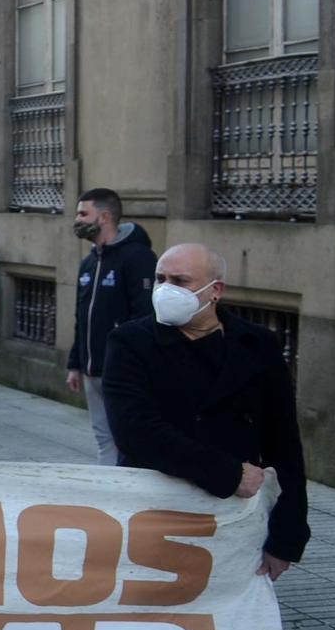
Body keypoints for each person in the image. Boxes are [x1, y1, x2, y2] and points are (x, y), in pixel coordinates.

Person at [102, 244, 308, 576]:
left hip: (233, 518)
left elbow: (283, 443)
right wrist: (227, 473)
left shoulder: (258, 345)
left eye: (180, 280)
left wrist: (287, 536)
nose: (166, 289)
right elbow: (134, 431)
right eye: (160, 278)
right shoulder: (130, 342)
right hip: (155, 512)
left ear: (215, 291)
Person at [65, 188, 156, 465]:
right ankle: (108, 488)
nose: (77, 219)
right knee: (103, 437)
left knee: (128, 438)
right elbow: (82, 317)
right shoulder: (89, 262)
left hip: (121, 371)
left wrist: (129, 365)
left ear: (104, 217)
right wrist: (75, 364)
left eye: (83, 213)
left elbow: (144, 316)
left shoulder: (138, 258)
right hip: (92, 369)